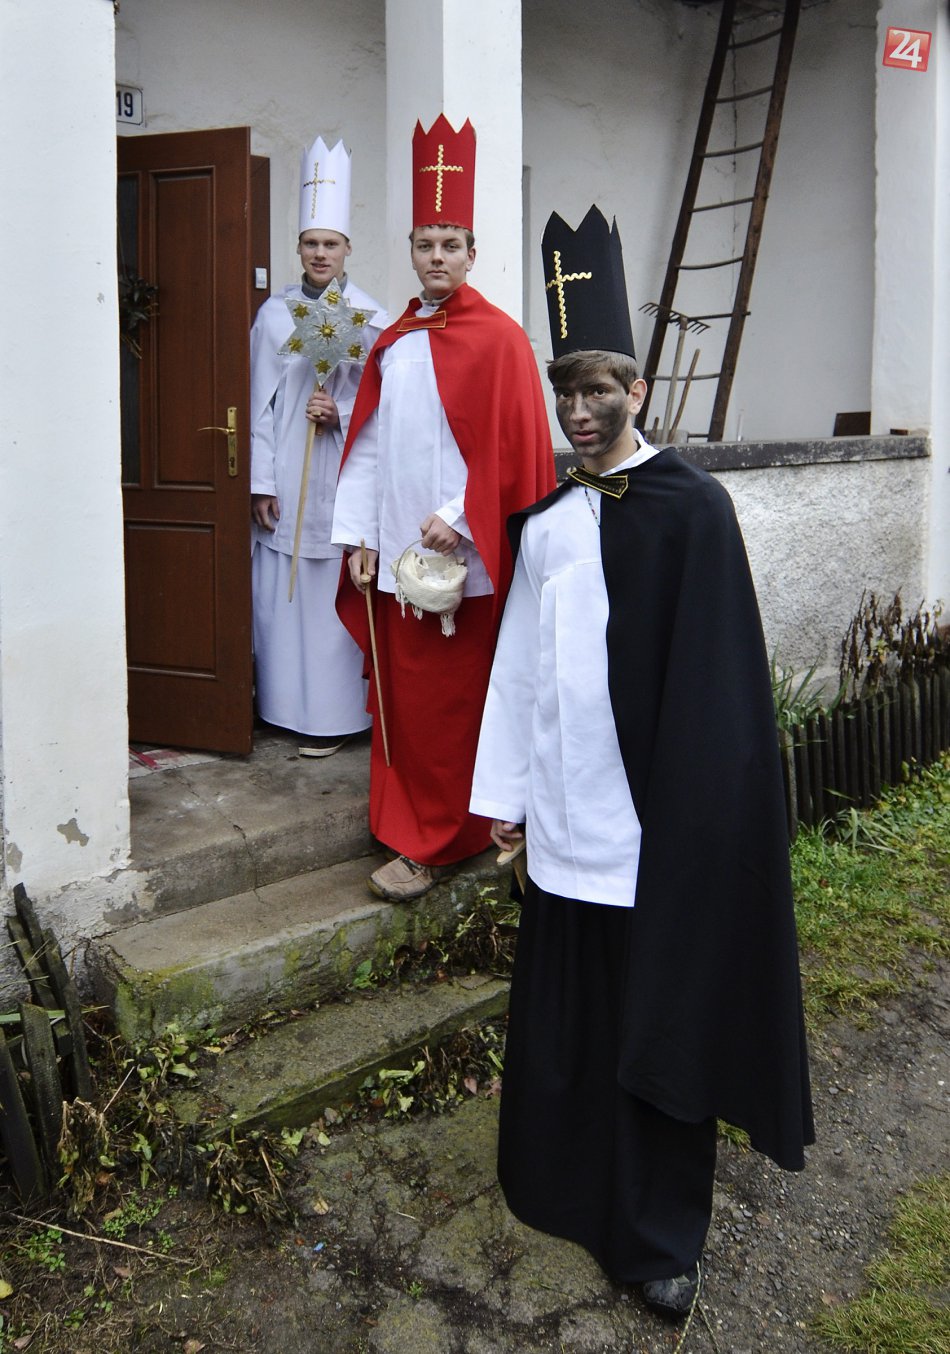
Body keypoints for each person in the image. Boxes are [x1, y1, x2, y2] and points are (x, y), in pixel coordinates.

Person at [470, 206, 814, 1321]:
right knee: (572, 1018)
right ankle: (566, 1184)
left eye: (596, 391)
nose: (579, 412)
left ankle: (659, 1233)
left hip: (651, 830)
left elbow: (718, 697)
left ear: (637, 391)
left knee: (656, 1018)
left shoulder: (693, 511)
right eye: (564, 393)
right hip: (564, 820)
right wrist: (505, 798)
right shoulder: (547, 524)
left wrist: (696, 827)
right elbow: (518, 672)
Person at [331, 114, 555, 901]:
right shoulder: (394, 340)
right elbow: (367, 444)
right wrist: (359, 536)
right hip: (395, 550)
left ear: (471, 253)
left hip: (465, 555)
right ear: (411, 251)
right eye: (425, 244)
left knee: (453, 704)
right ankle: (405, 825)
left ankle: (444, 840)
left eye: (450, 244)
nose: (436, 256)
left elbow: (509, 447)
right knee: (405, 703)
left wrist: (459, 517)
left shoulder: (499, 339)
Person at [251, 136, 388, 756]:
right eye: (310, 243)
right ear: (298, 248)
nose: (320, 254)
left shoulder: (371, 317)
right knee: (282, 592)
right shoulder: (275, 314)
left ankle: (333, 719)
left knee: (330, 592)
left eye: (330, 244)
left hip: (339, 475)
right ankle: (282, 707)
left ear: (347, 248)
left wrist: (341, 413)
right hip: (286, 471)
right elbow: (257, 402)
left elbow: (385, 409)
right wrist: (260, 481)